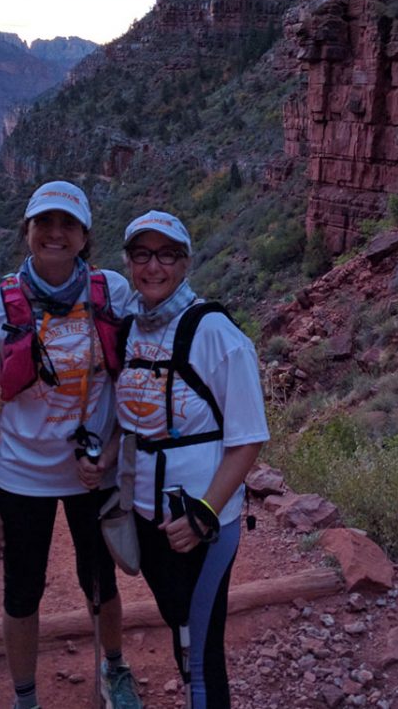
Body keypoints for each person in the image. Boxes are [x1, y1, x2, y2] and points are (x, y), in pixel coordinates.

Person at [0, 181, 143, 709]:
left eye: (68, 225)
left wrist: (111, 453)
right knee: (21, 592)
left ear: (84, 236)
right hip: (20, 477)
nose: (56, 234)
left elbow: (134, 382)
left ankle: (114, 670)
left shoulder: (114, 294)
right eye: (45, 223)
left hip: (92, 473)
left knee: (100, 582)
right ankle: (25, 697)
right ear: (28, 231)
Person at [115, 210, 269, 708]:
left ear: (184, 263)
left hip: (204, 524)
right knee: (179, 624)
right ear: (128, 262)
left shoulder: (217, 335)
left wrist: (204, 514)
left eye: (166, 255)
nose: (153, 266)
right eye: (142, 254)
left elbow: (248, 439)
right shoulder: (128, 330)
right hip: (147, 518)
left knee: (203, 655)